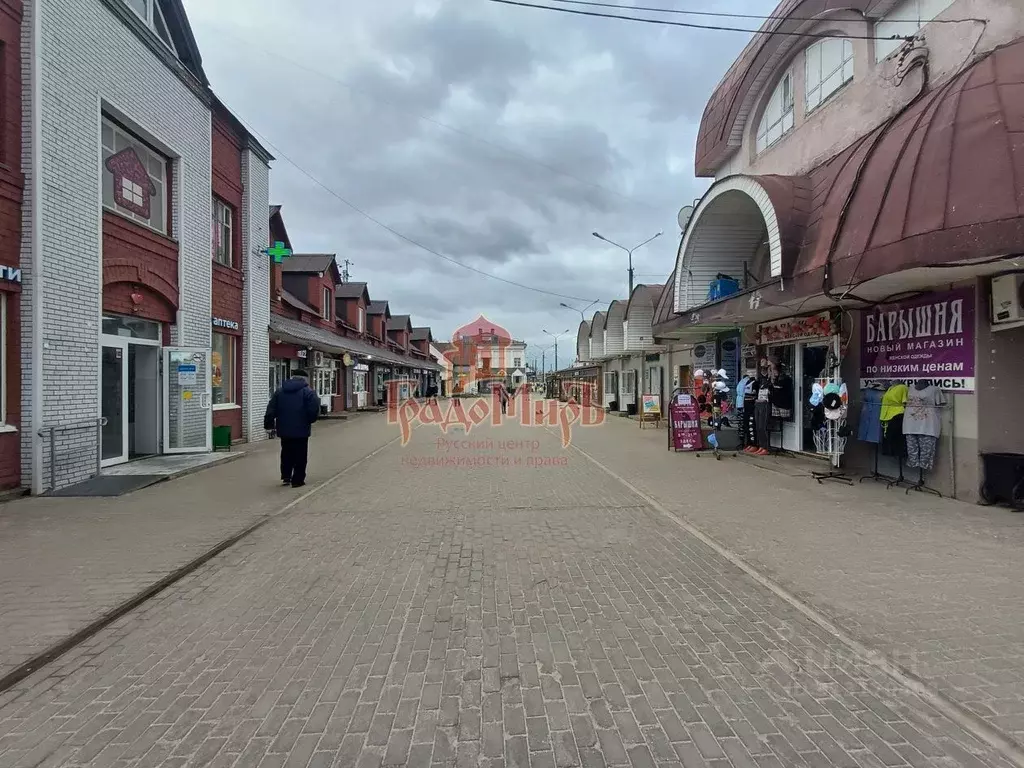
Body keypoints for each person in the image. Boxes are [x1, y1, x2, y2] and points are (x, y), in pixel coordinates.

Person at [264, 368, 321, 488]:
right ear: (304, 379)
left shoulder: (280, 392)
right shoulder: (308, 392)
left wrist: (268, 424)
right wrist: (309, 420)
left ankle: (286, 476)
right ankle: (297, 480)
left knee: (286, 452)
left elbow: (271, 409)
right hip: (301, 430)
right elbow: (314, 409)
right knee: (300, 454)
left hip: (284, 429)